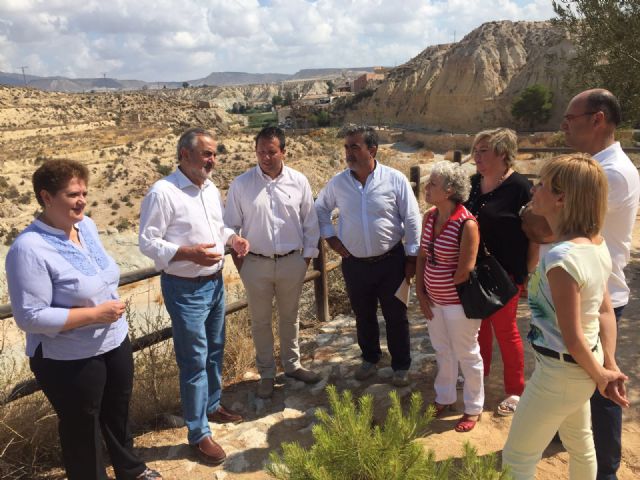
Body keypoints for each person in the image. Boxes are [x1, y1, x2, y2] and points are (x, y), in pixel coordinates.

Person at [5, 159, 161, 480]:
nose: (81, 200)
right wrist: (95, 314)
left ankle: (130, 470)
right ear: (46, 197)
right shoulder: (28, 249)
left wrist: (108, 317)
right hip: (69, 358)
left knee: (117, 412)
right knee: (82, 429)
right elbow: (30, 316)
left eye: (84, 193)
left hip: (113, 340)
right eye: (72, 194)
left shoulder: (86, 226)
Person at [522, 89, 639, 479]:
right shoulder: (592, 176)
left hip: (571, 336)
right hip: (591, 288)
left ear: (598, 118)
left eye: (571, 118)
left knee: (599, 397)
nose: (565, 124)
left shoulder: (608, 173)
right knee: (583, 433)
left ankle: (607, 471)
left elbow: (538, 228)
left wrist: (605, 367)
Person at [502, 154, 629, 479]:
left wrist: (603, 375)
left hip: (558, 373)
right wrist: (607, 365)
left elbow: (571, 336)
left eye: (542, 185)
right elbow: (603, 311)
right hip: (582, 370)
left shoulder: (560, 257)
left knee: (516, 458)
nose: (534, 190)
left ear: (561, 198)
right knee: (581, 443)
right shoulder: (595, 245)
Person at [139, 128, 249, 465]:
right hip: (185, 289)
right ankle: (198, 433)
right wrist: (187, 254)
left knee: (215, 349)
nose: (212, 160)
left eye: (214, 154)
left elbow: (218, 229)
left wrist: (233, 239)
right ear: (185, 155)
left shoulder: (210, 188)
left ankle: (212, 406)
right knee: (194, 360)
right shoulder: (163, 192)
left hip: (215, 281)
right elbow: (147, 242)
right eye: (207, 154)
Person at [315, 125, 421, 387]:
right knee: (363, 315)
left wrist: (412, 256)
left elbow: (411, 218)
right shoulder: (338, 183)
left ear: (372, 149)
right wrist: (332, 240)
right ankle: (370, 358)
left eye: (355, 146)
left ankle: (401, 365)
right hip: (355, 265)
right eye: (346, 147)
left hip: (392, 262)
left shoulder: (395, 179)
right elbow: (320, 209)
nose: (348, 152)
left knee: (396, 315)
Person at [224, 126, 321, 399]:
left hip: (292, 262)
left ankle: (292, 365)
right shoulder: (241, 185)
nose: (265, 157)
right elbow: (229, 226)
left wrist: (305, 259)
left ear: (283, 152)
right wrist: (242, 264)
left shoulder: (299, 181)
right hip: (255, 265)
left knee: (291, 316)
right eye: (260, 152)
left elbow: (310, 223)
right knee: (260, 321)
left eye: (271, 152)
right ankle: (267, 374)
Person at [464, 127, 537, 416]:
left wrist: (525, 272)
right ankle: (477, 377)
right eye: (475, 150)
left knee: (506, 332)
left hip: (506, 274)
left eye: (484, 151)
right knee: (478, 328)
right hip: (475, 272)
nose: (476, 156)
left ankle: (515, 390)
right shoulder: (473, 183)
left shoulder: (520, 187)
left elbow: (534, 232)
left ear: (503, 154)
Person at [416, 161, 483, 432]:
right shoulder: (430, 216)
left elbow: (464, 270)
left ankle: (473, 407)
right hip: (434, 300)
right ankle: (444, 396)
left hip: (458, 303)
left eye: (433, 183)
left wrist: (442, 288)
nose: (426, 188)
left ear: (450, 190)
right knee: (443, 350)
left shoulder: (467, 223)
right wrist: (421, 292)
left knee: (467, 353)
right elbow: (422, 255)